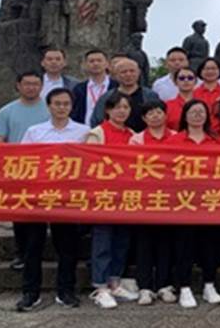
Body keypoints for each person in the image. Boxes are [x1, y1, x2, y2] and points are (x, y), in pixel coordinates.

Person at [15, 88, 89, 311]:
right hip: (37, 196)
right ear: (48, 106)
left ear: (72, 106)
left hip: (68, 197)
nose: (61, 108)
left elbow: (90, 164)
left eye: (66, 104)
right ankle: (31, 292)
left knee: (67, 246)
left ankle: (66, 291)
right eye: (57, 104)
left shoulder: (83, 131)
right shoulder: (35, 131)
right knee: (32, 246)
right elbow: (21, 161)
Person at [167, 100, 220, 308]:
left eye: (201, 112)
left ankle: (209, 284)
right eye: (193, 112)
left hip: (209, 201)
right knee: (184, 245)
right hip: (183, 202)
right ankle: (184, 287)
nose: (197, 115)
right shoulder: (175, 141)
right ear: (185, 116)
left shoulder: (215, 141)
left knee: (210, 245)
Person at [0, 71, 50, 272]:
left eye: (35, 84)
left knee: (42, 212)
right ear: (18, 86)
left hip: (47, 169)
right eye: (27, 84)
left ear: (41, 86)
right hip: (17, 169)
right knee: (20, 213)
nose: (31, 87)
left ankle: (38, 253)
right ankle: (22, 253)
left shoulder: (50, 108)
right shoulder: (7, 111)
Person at [84, 91, 139, 308]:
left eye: (125, 107)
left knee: (121, 240)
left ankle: (115, 282)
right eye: (117, 107)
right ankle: (100, 287)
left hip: (126, 196)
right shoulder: (97, 134)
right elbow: (90, 164)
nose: (121, 111)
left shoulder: (133, 135)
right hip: (103, 196)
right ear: (108, 110)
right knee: (103, 241)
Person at [128, 100, 181, 307]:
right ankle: (145, 287)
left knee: (166, 242)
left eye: (159, 112)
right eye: (150, 113)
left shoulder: (176, 137)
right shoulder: (136, 139)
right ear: (144, 118)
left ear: (165, 115)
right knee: (144, 243)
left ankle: (164, 285)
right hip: (145, 198)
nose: (155, 116)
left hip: (170, 198)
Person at [90, 57, 157, 131]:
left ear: (139, 72)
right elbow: (97, 121)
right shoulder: (107, 97)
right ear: (115, 75)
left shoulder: (150, 95)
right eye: (123, 72)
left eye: (132, 71)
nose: (128, 74)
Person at [70, 49, 117, 127]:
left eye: (99, 61)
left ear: (107, 64)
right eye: (91, 61)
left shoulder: (116, 86)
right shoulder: (79, 89)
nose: (95, 64)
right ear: (85, 65)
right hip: (84, 129)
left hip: (109, 129)